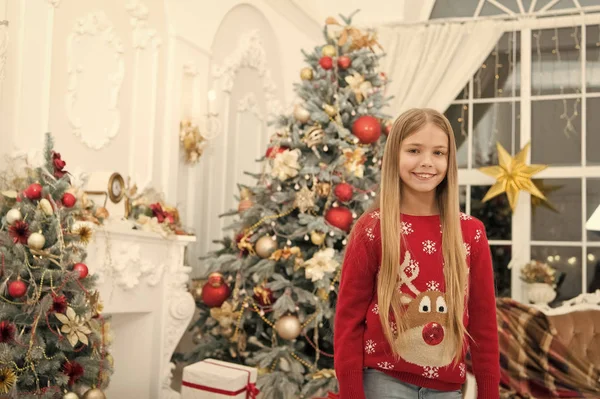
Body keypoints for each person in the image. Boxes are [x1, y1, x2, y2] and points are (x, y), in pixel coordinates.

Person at [334, 108, 500, 399]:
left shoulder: (471, 233)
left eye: (439, 153)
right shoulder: (372, 229)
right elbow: (348, 322)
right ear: (394, 155)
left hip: (446, 390)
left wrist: (489, 394)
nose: (427, 162)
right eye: (414, 150)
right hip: (383, 383)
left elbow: (484, 326)